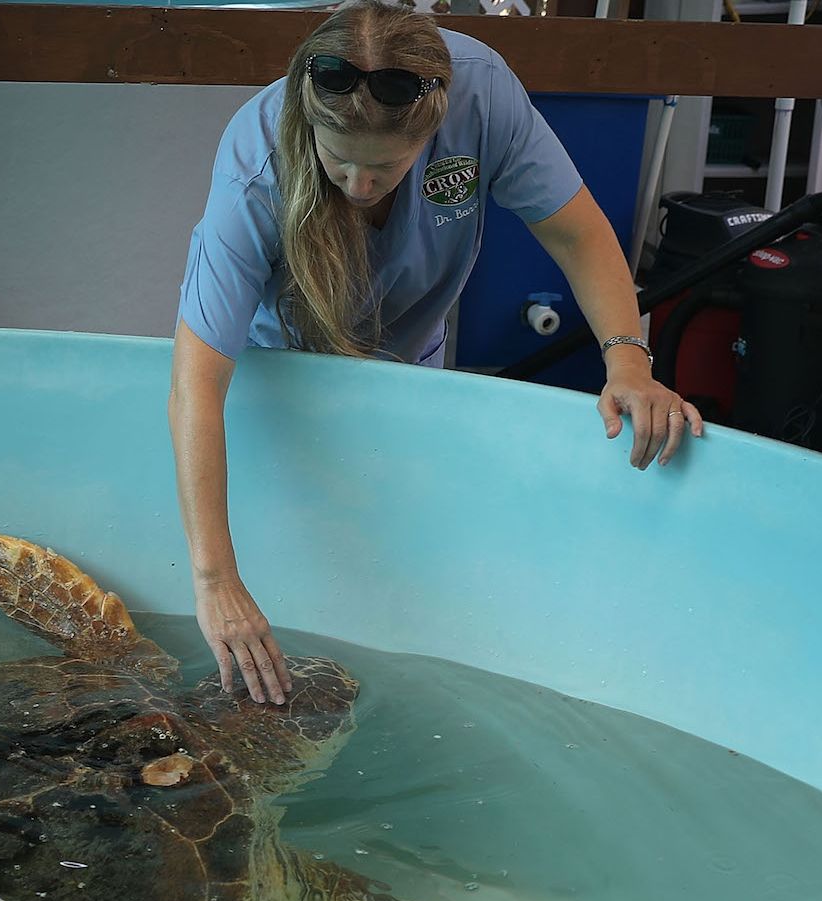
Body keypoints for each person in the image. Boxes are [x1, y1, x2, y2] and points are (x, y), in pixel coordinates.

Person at [169, 0, 704, 706]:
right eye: (339, 164)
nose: (359, 188)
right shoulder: (253, 168)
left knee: (406, 562)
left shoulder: (482, 95)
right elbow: (196, 387)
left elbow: (577, 233)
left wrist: (629, 363)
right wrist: (214, 582)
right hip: (283, 371)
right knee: (299, 546)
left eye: (384, 169)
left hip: (409, 356)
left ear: (434, 126)